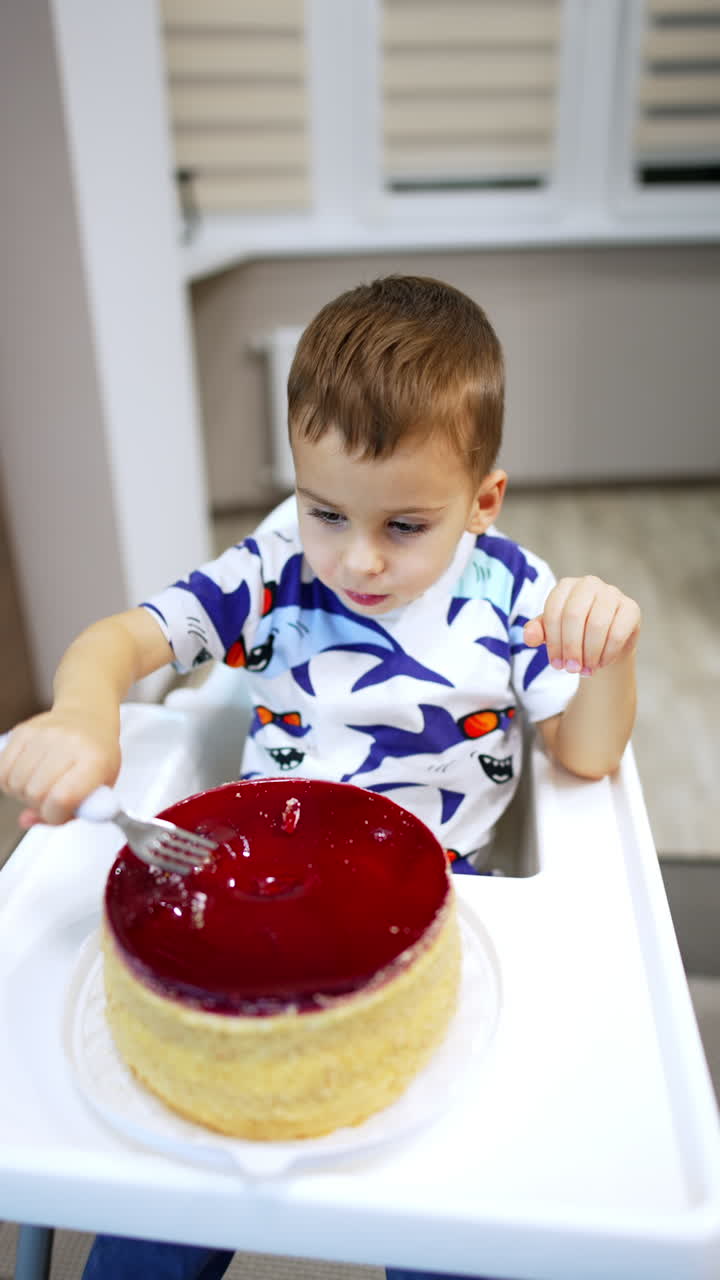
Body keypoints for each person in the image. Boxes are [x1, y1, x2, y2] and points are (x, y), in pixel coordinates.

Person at [0, 276, 641, 1280]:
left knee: (437, 1197)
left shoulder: (513, 590)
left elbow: (590, 756)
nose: (356, 558)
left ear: (484, 501)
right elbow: (118, 640)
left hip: (438, 889)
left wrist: (608, 651)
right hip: (260, 867)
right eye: (327, 509)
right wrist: (84, 711)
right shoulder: (275, 564)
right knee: (169, 1172)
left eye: (405, 525)